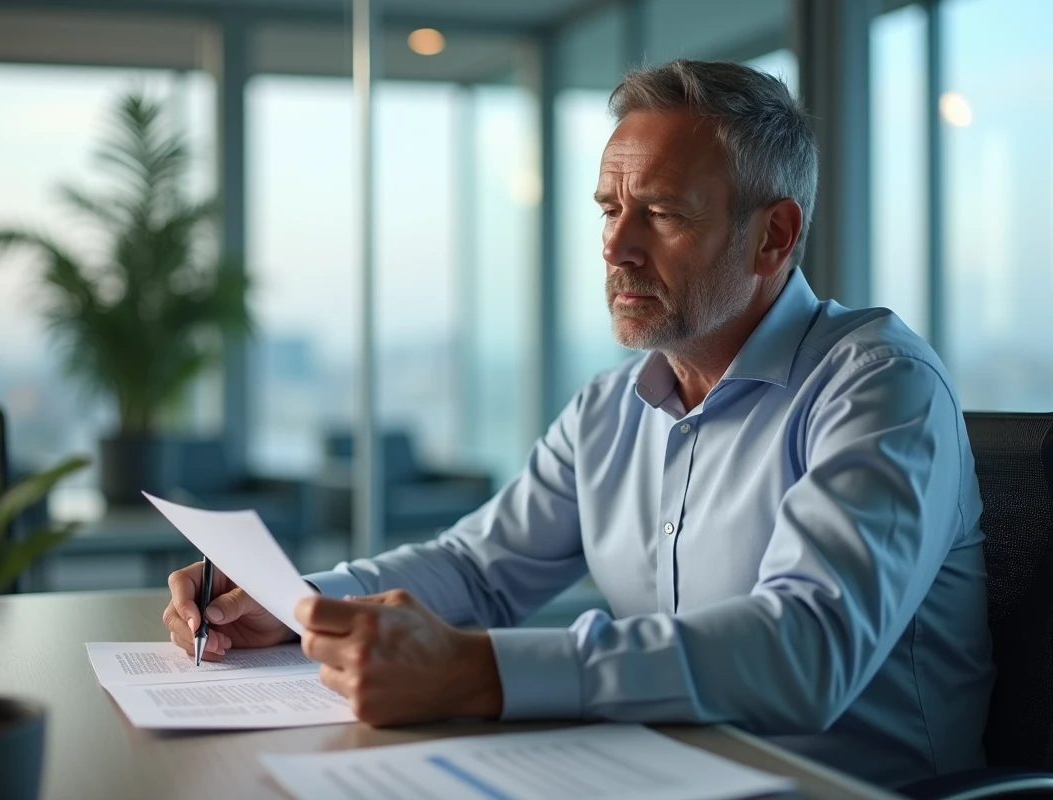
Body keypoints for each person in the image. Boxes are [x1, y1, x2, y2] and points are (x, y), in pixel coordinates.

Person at [163, 59, 993, 788]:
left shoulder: (880, 384)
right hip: (654, 776)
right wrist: (301, 605)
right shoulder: (611, 406)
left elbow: (804, 649)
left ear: (772, 237)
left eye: (662, 214)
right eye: (608, 210)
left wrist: (480, 672)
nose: (617, 248)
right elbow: (480, 569)